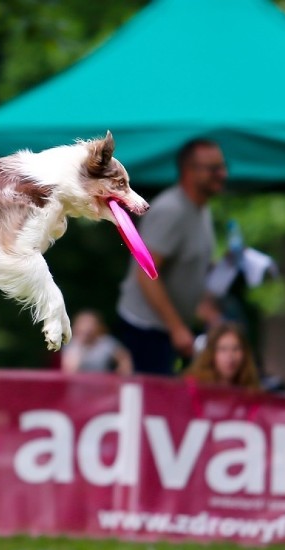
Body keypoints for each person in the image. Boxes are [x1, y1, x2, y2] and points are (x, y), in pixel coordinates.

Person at [116, 138, 226, 375]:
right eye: (214, 169)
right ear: (189, 171)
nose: (222, 174)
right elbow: (145, 273)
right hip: (148, 331)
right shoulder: (171, 210)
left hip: (170, 329)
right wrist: (176, 328)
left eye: (222, 167)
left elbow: (189, 264)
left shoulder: (201, 208)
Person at [184, 322, 259, 391]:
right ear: (211, 354)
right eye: (223, 349)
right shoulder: (193, 385)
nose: (230, 356)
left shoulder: (250, 389)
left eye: (236, 349)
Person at [61, 310, 133, 375]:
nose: (88, 328)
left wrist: (120, 376)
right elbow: (70, 371)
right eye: (84, 324)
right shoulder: (71, 344)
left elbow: (124, 358)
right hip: (79, 386)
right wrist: (80, 344)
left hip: (103, 385)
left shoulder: (106, 342)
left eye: (91, 324)